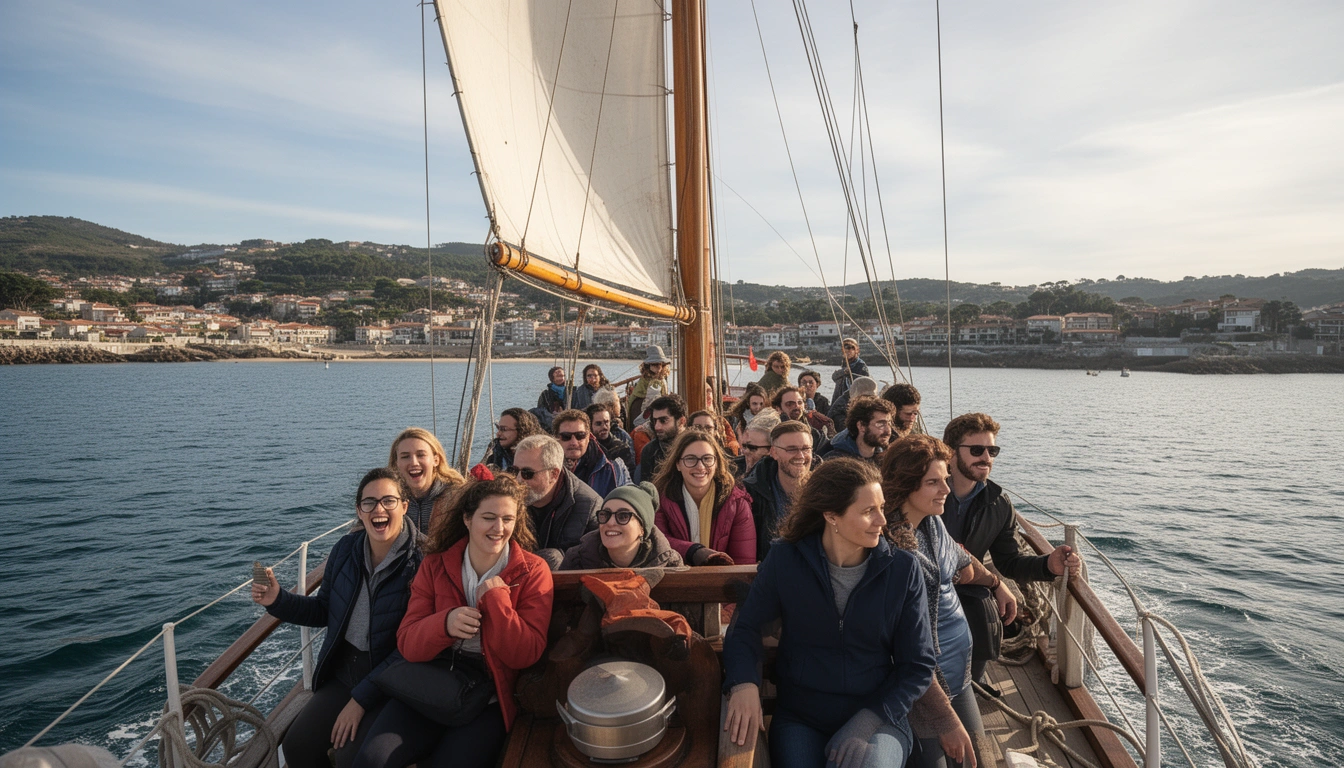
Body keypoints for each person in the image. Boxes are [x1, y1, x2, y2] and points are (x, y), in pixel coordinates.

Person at [723, 458, 936, 768]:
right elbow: (747, 630)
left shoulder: (902, 571)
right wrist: (744, 684)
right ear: (831, 515)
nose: (882, 521)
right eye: (868, 511)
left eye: (881, 507)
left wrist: (866, 722)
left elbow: (917, 664)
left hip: (878, 716)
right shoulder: (785, 560)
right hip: (801, 717)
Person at [372, 475, 552, 768]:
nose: (499, 528)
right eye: (489, 517)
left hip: (489, 695)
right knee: (372, 760)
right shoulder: (435, 565)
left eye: (508, 519)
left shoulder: (533, 571)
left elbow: (526, 654)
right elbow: (407, 642)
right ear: (467, 519)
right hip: (432, 682)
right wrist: (445, 624)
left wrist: (497, 602)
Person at [251, 468, 424, 768]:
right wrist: (278, 600)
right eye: (369, 502)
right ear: (359, 510)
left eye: (388, 500)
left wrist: (360, 700)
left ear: (404, 506)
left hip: (394, 678)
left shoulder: (423, 561)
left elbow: (413, 646)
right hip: (346, 671)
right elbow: (324, 609)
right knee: (296, 746)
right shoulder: (346, 550)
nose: (378, 509)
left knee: (348, 757)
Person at [941, 413, 1080, 684]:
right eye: (977, 450)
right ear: (950, 452)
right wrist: (995, 584)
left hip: (969, 588)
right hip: (925, 586)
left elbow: (1009, 561)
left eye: (992, 450)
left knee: (986, 625)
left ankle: (970, 682)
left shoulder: (998, 504)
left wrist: (1048, 565)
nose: (986, 458)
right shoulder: (926, 490)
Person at [883, 436, 995, 768]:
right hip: (922, 687)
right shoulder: (892, 550)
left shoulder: (932, 524)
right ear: (905, 485)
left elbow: (962, 561)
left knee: (979, 761)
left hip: (959, 676)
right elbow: (903, 645)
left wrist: (997, 583)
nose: (946, 488)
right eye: (933, 482)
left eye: (945, 478)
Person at [652, 430, 756, 565]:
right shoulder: (660, 500)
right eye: (690, 459)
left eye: (707, 459)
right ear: (678, 464)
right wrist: (694, 551)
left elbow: (743, 563)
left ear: (716, 462)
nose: (700, 466)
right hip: (675, 580)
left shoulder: (737, 503)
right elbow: (658, 543)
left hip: (723, 582)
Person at [511, 434, 601, 570]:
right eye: (515, 471)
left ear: (553, 474)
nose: (518, 480)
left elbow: (593, 562)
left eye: (527, 473)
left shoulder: (589, 507)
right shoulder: (508, 499)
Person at [742, 421, 821, 563]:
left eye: (806, 449)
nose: (801, 456)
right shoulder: (752, 493)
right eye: (791, 449)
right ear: (774, 452)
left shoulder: (826, 491)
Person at [559, 482, 684, 570]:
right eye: (605, 514)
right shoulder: (576, 560)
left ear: (642, 529)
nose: (610, 522)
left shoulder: (669, 563)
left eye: (623, 516)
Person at [388, 428, 465, 533]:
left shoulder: (458, 497)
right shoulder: (387, 500)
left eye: (421, 455)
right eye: (405, 457)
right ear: (396, 463)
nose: (414, 462)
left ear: (436, 460)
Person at [552, 409, 625, 497]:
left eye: (580, 436)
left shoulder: (612, 468)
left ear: (589, 437)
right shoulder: (544, 469)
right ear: (556, 438)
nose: (574, 442)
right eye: (566, 436)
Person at [822, 396, 895, 463]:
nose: (888, 431)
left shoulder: (886, 461)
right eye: (880, 424)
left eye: (889, 423)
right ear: (861, 426)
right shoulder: (835, 461)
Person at [637, 394, 687, 483]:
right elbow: (647, 490)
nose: (657, 427)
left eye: (663, 421)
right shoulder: (650, 451)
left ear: (681, 421)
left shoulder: (695, 447)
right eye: (655, 421)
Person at [481, 408, 543, 473]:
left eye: (504, 429)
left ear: (521, 430)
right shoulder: (495, 447)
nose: (498, 434)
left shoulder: (535, 455)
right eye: (498, 428)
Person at [586, 402, 636, 471]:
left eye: (606, 422)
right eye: (598, 424)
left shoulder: (621, 449)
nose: (604, 427)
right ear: (589, 426)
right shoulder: (585, 449)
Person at [627, 346, 672, 422]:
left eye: (660, 364)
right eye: (654, 364)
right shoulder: (644, 381)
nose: (658, 367)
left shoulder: (662, 380)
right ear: (648, 365)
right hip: (641, 410)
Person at [830, 338, 870, 404]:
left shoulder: (861, 365)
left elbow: (865, 383)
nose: (849, 350)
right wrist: (843, 372)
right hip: (840, 398)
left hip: (852, 400)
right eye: (846, 347)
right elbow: (834, 377)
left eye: (852, 348)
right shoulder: (845, 363)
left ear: (857, 350)